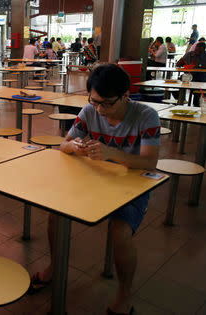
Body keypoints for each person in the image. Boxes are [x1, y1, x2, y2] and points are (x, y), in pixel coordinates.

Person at [29, 64, 161, 315]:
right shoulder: (89, 111)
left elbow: (149, 163)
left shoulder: (146, 116)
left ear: (125, 96)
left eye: (106, 104)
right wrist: (74, 146)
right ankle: (55, 268)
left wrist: (112, 153)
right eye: (94, 101)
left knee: (120, 231)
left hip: (131, 185)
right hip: (93, 179)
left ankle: (124, 296)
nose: (99, 110)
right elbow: (64, 144)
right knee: (56, 214)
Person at [176, 42, 206, 106]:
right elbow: (178, 64)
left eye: (199, 51)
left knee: (199, 86)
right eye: (196, 50)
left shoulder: (205, 56)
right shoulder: (189, 54)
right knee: (178, 81)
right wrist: (180, 62)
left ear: (203, 50)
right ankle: (180, 100)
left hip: (201, 77)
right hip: (189, 76)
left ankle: (196, 103)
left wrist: (199, 65)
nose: (196, 52)